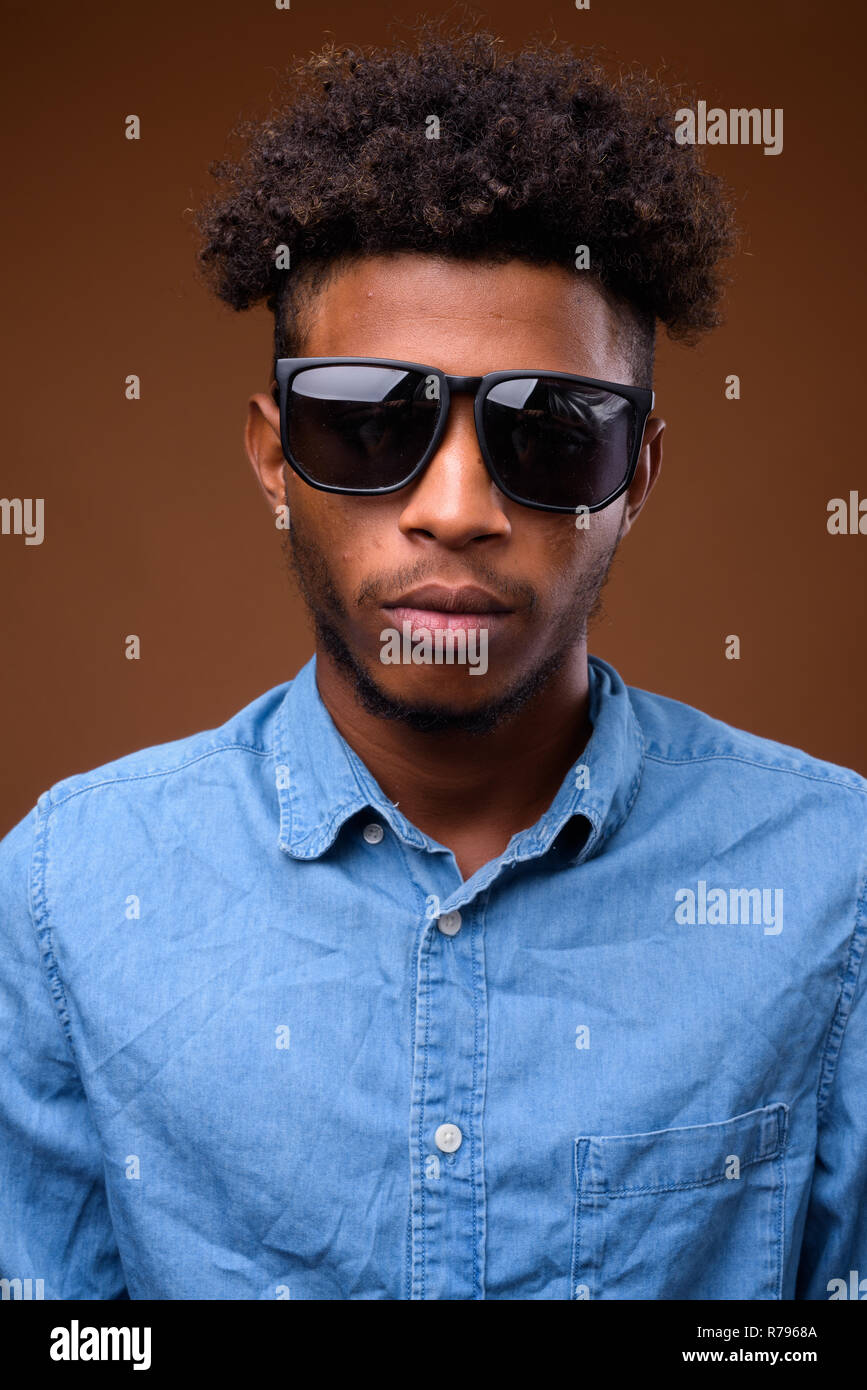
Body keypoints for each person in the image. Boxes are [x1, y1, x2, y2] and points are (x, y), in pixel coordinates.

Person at [1, 23, 864, 1301]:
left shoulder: (834, 883)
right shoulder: (66, 900)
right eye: (367, 420)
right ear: (270, 458)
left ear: (639, 477)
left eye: (553, 432)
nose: (455, 505)